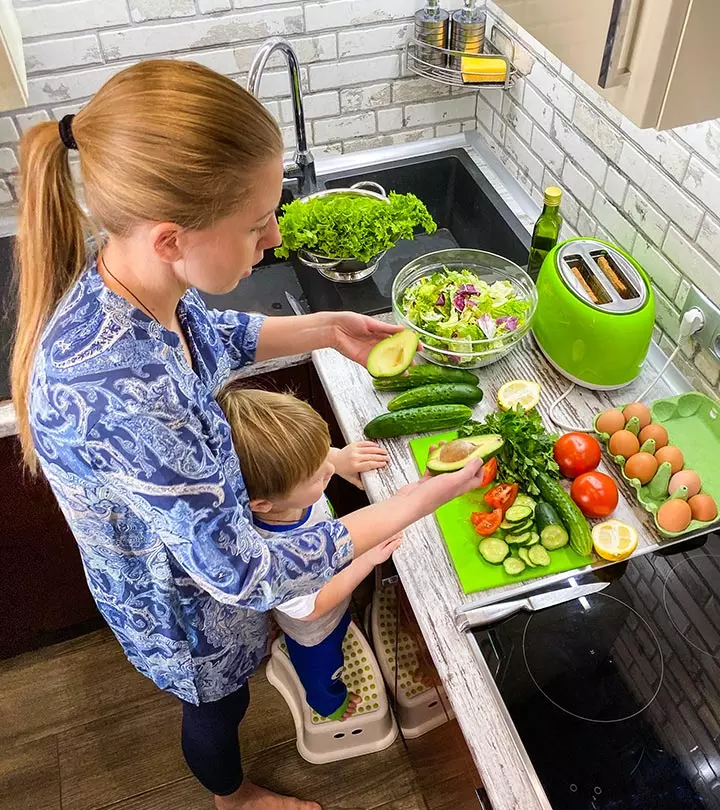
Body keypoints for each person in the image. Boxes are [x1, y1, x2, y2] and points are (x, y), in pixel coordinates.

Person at [10, 60, 486, 810]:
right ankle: (234, 799)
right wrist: (414, 501)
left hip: (200, 560)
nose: (274, 237)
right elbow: (243, 572)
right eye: (256, 222)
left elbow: (218, 335)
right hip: (180, 607)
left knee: (234, 680)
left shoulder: (142, 281)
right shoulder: (118, 388)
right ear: (172, 237)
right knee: (216, 709)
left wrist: (330, 328)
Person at [217, 383, 402, 722]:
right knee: (322, 665)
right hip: (313, 627)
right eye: (317, 476)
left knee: (340, 626)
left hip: (336, 600)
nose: (328, 473)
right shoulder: (273, 557)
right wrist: (366, 558)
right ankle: (330, 704)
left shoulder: (287, 497)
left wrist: (338, 457)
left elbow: (313, 465)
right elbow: (312, 609)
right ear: (261, 504)